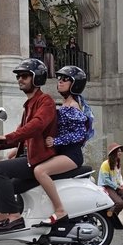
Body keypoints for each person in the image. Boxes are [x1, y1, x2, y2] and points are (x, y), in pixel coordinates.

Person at [0, 58, 57, 233]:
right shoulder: (28, 105)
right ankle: (1, 214)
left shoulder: (45, 101)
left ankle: (14, 217)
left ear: (37, 78)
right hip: (29, 158)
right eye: (19, 76)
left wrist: (7, 137)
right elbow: (20, 134)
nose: (20, 79)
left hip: (38, 159)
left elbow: (36, 126)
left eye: (25, 76)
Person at [39, 65, 94, 223]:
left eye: (65, 79)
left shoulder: (73, 107)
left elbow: (79, 134)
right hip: (61, 153)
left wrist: (55, 141)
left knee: (41, 171)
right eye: (59, 79)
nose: (60, 82)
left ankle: (60, 210)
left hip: (71, 155)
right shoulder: (63, 105)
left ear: (75, 84)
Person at [98, 143, 123, 218]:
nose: (120, 153)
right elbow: (106, 180)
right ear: (113, 153)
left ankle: (111, 212)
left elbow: (119, 176)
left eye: (120, 151)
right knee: (119, 203)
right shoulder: (105, 164)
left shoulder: (118, 163)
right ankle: (109, 216)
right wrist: (118, 187)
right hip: (106, 187)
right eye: (118, 151)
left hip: (115, 186)